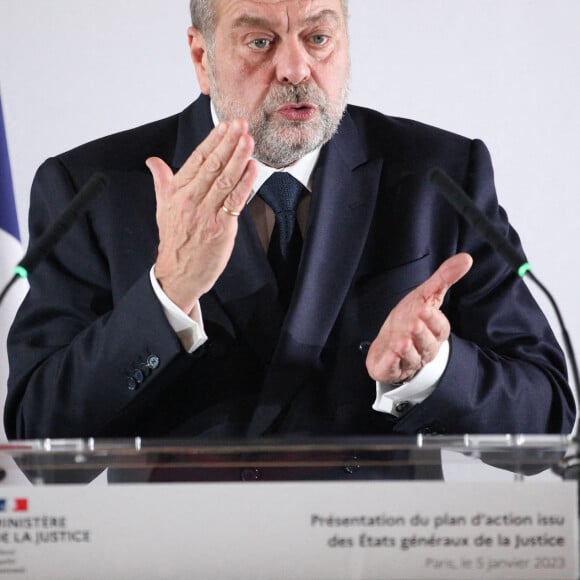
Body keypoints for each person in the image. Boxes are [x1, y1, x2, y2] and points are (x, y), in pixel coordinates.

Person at [5, 0, 575, 444]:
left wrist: (430, 371)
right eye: (260, 41)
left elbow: (547, 409)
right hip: (176, 553)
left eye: (318, 37)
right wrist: (169, 296)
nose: (296, 68)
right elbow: (39, 431)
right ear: (202, 58)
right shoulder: (91, 188)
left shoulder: (441, 175)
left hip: (375, 551)